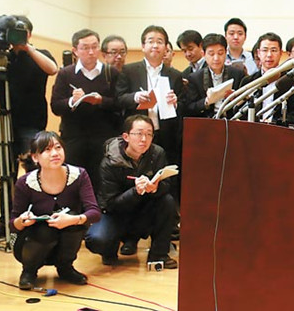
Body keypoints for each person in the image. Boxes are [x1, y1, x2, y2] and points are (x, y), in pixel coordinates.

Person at [0, 15, 58, 240]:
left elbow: (52, 69)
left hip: (32, 123)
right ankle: (6, 221)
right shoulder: (3, 58)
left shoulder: (40, 54)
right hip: (7, 122)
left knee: (33, 174)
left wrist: (26, 47)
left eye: (22, 32)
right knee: (6, 174)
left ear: (30, 33)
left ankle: (35, 219)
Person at [9, 131, 101, 290]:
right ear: (35, 157)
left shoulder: (79, 175)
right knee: (45, 231)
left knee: (73, 220)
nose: (54, 153)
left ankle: (65, 268)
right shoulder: (25, 183)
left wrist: (75, 219)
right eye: (47, 150)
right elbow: (12, 224)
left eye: (58, 148)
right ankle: (29, 271)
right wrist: (22, 221)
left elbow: (94, 213)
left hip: (65, 238)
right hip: (32, 242)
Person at [85, 115, 177, 269]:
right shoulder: (110, 162)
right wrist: (135, 191)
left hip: (143, 211)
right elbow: (109, 203)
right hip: (115, 213)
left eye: (149, 134)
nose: (144, 139)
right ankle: (110, 249)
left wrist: (156, 188)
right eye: (139, 133)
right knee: (97, 240)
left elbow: (166, 185)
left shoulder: (157, 153)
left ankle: (158, 255)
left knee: (167, 201)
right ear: (126, 137)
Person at [51, 29, 121, 192]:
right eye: (85, 47)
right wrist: (72, 101)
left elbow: (119, 103)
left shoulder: (110, 73)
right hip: (74, 137)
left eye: (95, 47)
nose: (91, 52)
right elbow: (55, 106)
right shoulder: (65, 74)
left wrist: (100, 101)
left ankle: (100, 214)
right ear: (75, 50)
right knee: (73, 179)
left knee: (102, 180)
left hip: (103, 137)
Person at [116, 25, 183, 166]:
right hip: (137, 135)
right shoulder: (129, 70)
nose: (155, 45)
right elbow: (119, 98)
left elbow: (184, 105)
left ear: (165, 48)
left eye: (159, 42)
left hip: (165, 133)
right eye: (151, 41)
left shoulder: (175, 75)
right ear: (143, 46)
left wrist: (176, 103)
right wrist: (135, 97)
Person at [185, 33, 245, 118]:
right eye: (211, 54)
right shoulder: (195, 78)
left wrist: (236, 99)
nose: (216, 58)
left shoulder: (238, 74)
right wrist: (206, 101)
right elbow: (189, 108)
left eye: (220, 53)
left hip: (231, 121)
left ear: (226, 53)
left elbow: (245, 103)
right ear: (204, 54)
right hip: (206, 123)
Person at [240, 32, 292, 123]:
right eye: (265, 50)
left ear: (280, 53)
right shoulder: (248, 81)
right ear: (258, 53)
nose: (269, 55)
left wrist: (274, 122)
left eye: (274, 50)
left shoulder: (290, 81)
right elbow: (241, 113)